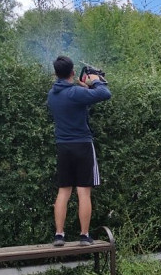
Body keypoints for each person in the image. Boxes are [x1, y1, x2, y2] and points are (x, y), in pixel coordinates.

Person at [47, 55, 112, 247]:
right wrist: (95, 82)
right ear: (73, 72)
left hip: (63, 146)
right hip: (82, 144)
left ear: (55, 73)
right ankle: (84, 235)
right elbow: (105, 94)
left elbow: (72, 98)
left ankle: (59, 235)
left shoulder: (52, 95)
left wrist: (84, 87)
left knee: (63, 192)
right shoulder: (76, 93)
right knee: (83, 192)